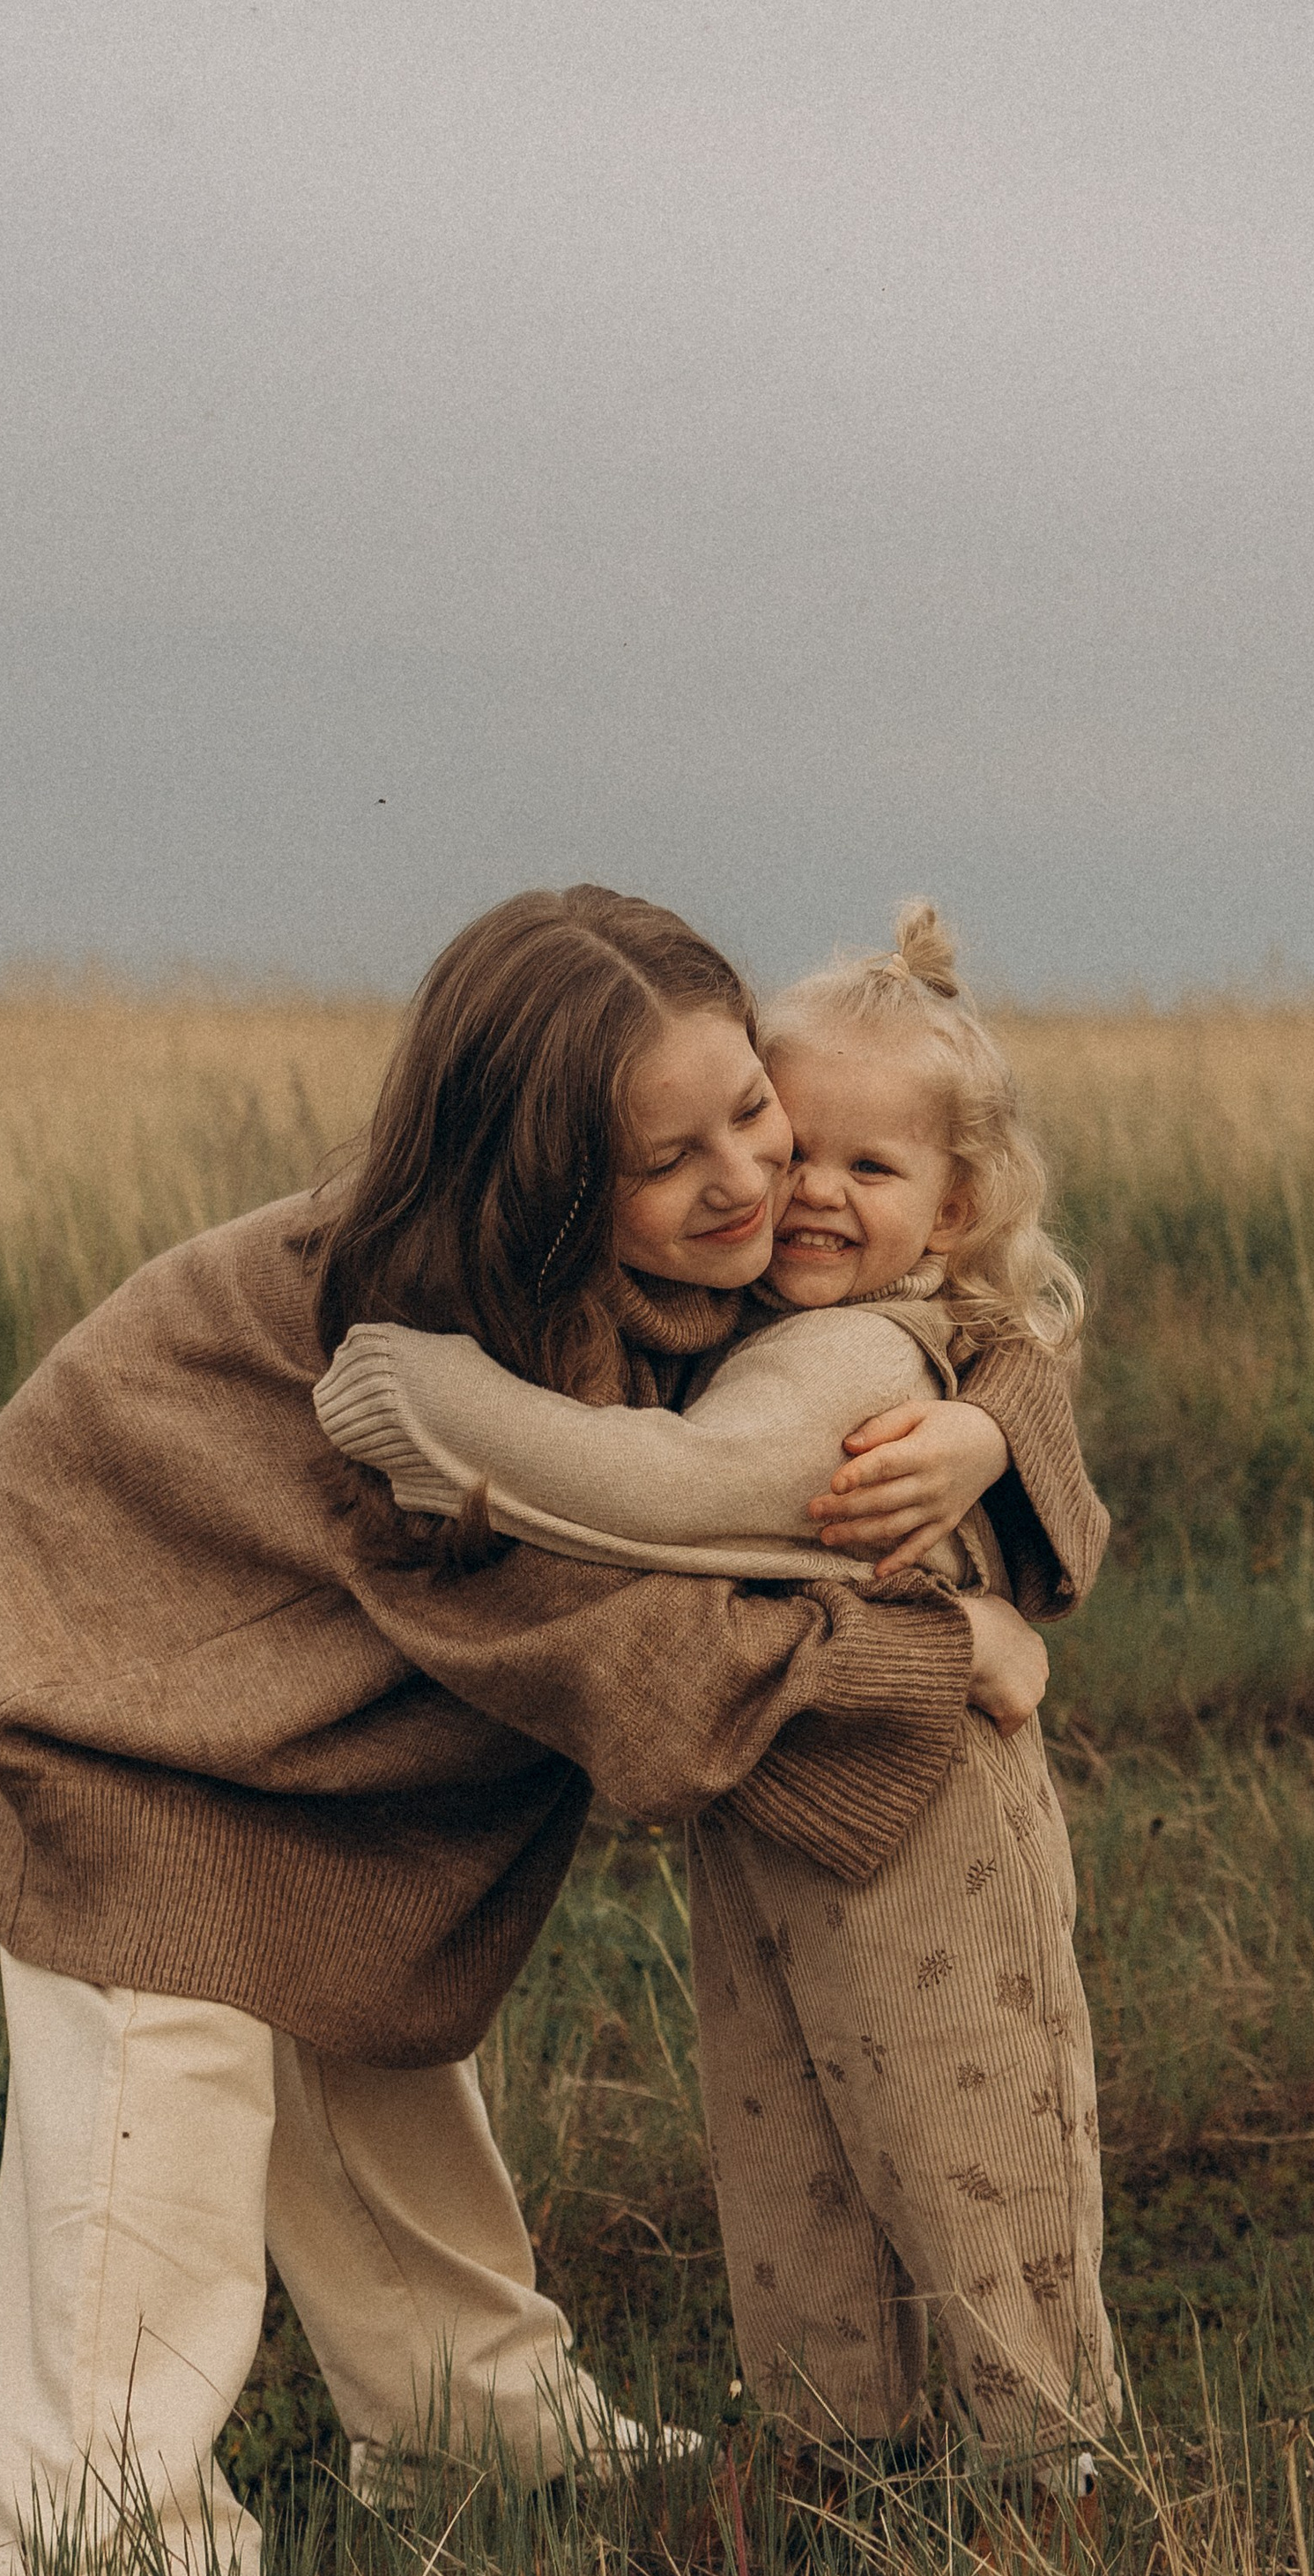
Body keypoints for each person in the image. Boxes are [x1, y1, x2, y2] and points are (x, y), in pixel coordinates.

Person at [0, 885, 1064, 2576]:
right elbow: (635, 1661)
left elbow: (960, 1287)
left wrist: (986, 1419)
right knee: (162, 2102)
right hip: (114, 1661)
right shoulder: (439, 1386)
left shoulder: (700, 1253)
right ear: (537, 1184)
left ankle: (480, 2434)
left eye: (750, 1115)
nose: (750, 1185)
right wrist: (938, 1655)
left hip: (294, 1696)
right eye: (668, 1157)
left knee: (363, 2056)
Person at [316, 901, 1118, 2493]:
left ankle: (1050, 2471)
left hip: (924, 1813)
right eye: (786, 1137)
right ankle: (850, 2463)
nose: (793, 1187)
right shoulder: (761, 1318)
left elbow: (692, 1482)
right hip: (774, 1810)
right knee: (794, 2151)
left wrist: (440, 1398)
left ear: (953, 1213)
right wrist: (997, 1425)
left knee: (972, 2136)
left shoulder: (869, 1356)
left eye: (867, 1172)